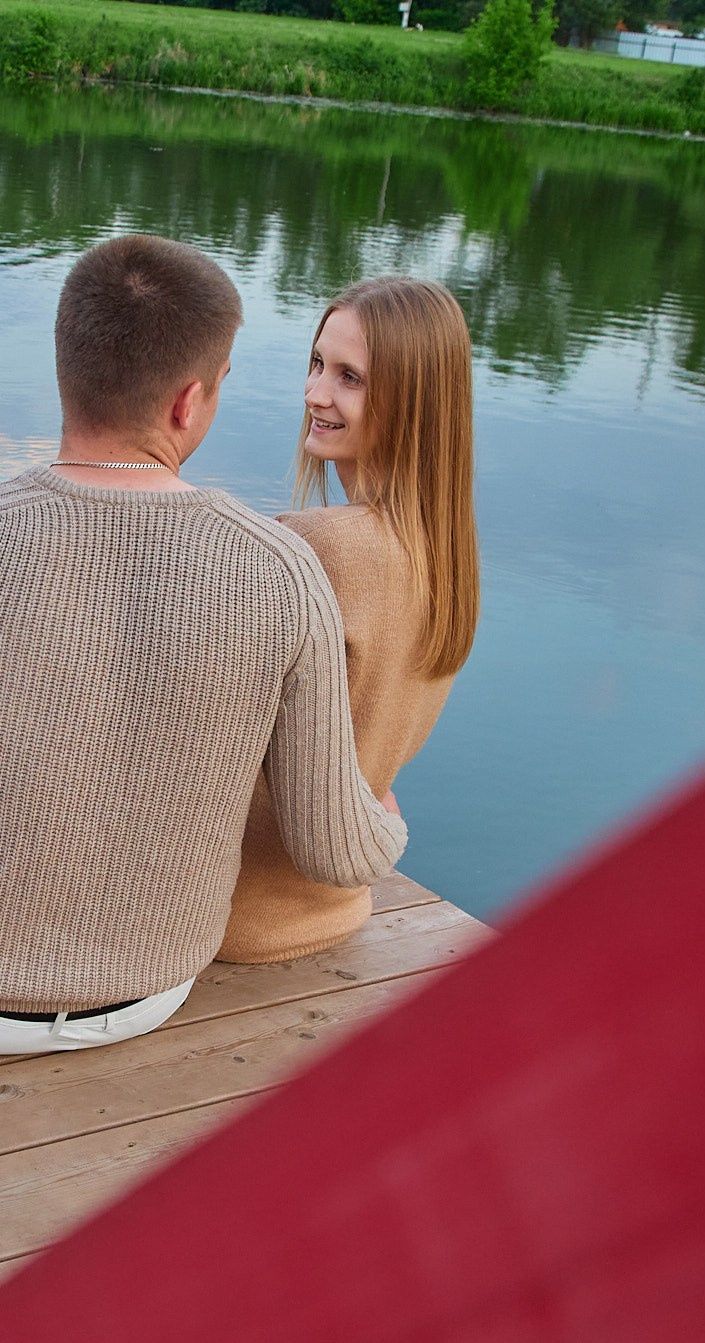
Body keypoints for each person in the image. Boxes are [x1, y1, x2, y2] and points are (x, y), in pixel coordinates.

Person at [0, 234, 405, 1056]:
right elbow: (333, 847)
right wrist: (387, 823)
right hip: (151, 991)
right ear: (191, 402)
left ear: (65, 370)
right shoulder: (284, 571)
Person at [219, 277, 477, 964]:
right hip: (336, 905)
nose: (314, 394)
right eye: (315, 364)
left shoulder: (317, 547)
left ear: (411, 400)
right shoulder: (446, 559)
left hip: (231, 912)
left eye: (349, 378)